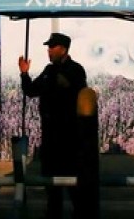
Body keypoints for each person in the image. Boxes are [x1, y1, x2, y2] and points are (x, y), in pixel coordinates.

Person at [19, 32, 87, 219]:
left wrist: (68, 86)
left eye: (52, 47)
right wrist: (24, 73)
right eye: (48, 47)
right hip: (49, 137)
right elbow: (31, 91)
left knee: (73, 182)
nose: (48, 51)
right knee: (51, 183)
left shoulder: (76, 70)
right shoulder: (49, 71)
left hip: (69, 137)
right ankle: (53, 213)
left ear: (63, 49)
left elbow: (83, 95)